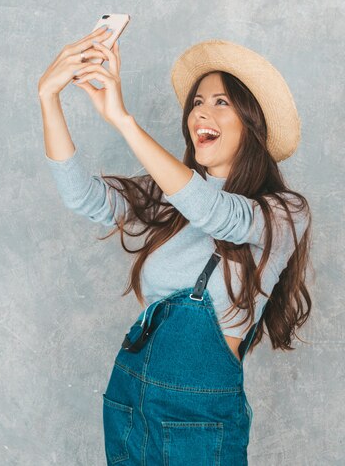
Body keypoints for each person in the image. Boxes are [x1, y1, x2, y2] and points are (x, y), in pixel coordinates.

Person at [38, 26, 313, 465]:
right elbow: (83, 198)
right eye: (197, 102)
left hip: (199, 419)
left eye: (221, 102)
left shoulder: (281, 212)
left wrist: (124, 121)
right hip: (131, 400)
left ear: (252, 121)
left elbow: (213, 212)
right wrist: (49, 99)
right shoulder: (169, 195)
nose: (201, 113)